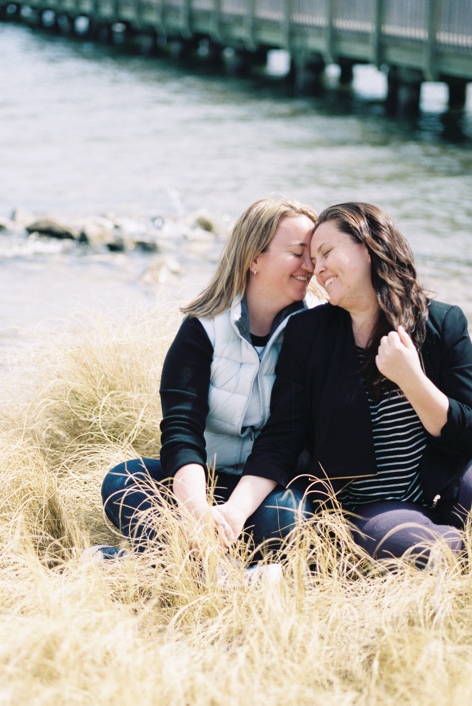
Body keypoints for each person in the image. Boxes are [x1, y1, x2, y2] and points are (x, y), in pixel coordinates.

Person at [216, 202, 472, 569]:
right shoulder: (308, 334)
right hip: (373, 504)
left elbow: (470, 433)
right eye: (311, 256)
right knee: (423, 550)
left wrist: (411, 378)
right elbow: (281, 440)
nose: (316, 269)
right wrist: (235, 511)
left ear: (369, 246)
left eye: (326, 253)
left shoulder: (443, 323)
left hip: (452, 473)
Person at [91, 197, 319, 565]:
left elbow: (284, 441)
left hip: (266, 491)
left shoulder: (315, 329)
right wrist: (197, 512)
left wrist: (233, 514)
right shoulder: (203, 327)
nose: (311, 266)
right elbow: (182, 428)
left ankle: (145, 565)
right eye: (298, 253)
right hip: (200, 482)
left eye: (315, 254)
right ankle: (215, 567)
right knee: (123, 481)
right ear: (254, 259)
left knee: (289, 519)